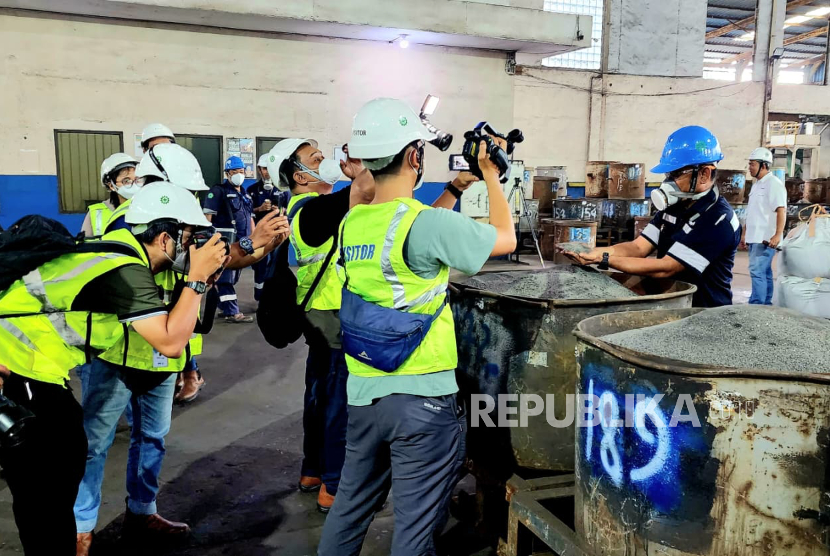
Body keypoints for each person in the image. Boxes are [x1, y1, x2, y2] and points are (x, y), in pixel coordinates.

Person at [316, 98, 517, 556]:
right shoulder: (428, 224)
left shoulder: (353, 222)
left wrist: (454, 187)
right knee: (413, 528)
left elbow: (408, 224)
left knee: (349, 508)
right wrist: (490, 175)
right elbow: (505, 239)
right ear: (414, 157)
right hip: (422, 402)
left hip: (364, 393)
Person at [0, 182, 230, 556]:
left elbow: (185, 324)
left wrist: (202, 281)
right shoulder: (124, 268)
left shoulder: (121, 255)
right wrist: (198, 278)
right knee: (48, 486)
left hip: (36, 372)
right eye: (192, 236)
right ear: (165, 237)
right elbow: (170, 341)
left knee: (58, 472)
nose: (197, 247)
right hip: (20, 371)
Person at [265, 137, 374, 512]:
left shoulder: (302, 207)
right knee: (338, 405)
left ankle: (312, 471)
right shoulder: (311, 211)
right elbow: (369, 187)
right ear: (300, 174)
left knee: (318, 398)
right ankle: (334, 484)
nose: (326, 160)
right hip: (331, 317)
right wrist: (367, 160)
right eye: (317, 158)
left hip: (317, 317)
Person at [564, 126, 741, 308]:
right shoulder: (675, 206)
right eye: (668, 174)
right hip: (674, 304)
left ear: (704, 174)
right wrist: (596, 251)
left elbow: (666, 267)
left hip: (704, 313)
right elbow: (637, 247)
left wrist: (604, 259)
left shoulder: (718, 219)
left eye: (677, 174)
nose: (668, 182)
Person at [203, 156, 256, 323]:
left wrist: (254, 238)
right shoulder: (218, 191)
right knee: (225, 277)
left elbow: (250, 218)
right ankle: (233, 312)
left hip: (242, 242)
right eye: (234, 172)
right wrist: (207, 240)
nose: (238, 175)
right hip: (225, 242)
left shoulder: (245, 193)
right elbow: (208, 217)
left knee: (233, 277)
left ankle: (224, 307)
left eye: (241, 171)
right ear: (227, 173)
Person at [741, 147, 786, 305]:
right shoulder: (756, 185)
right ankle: (765, 304)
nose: (750, 167)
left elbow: (781, 210)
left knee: (757, 271)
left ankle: (757, 305)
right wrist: (744, 233)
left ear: (764, 165)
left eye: (752, 164)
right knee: (764, 272)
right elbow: (752, 212)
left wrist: (777, 234)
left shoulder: (774, 184)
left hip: (765, 238)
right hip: (754, 237)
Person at [248, 153, 291, 301]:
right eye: (264, 168)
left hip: (279, 235)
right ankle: (260, 298)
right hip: (261, 236)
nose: (266, 172)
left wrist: (282, 211)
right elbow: (246, 213)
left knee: (278, 265)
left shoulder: (284, 190)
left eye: (269, 168)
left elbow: (290, 211)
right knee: (260, 266)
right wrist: (259, 209)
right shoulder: (252, 190)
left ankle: (276, 298)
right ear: (259, 169)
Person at [80, 153, 139, 237]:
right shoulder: (96, 213)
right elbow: (85, 247)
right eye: (126, 181)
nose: (134, 185)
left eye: (137, 180)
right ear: (111, 185)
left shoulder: (148, 208)